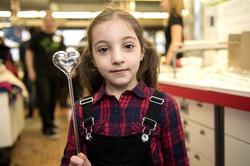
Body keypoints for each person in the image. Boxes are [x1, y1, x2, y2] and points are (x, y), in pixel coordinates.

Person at [61, 7, 189, 166]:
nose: (117, 58)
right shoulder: (80, 110)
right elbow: (68, 161)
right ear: (93, 59)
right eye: (104, 49)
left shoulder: (166, 106)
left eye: (128, 46)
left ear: (141, 51)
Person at [26, 12, 66, 139]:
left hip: (55, 73)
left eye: (51, 20)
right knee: (45, 99)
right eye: (46, 20)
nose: (49, 23)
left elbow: (63, 54)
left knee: (54, 100)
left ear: (54, 23)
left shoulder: (57, 37)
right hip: (41, 73)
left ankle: (51, 123)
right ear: (43, 22)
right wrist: (31, 70)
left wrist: (68, 68)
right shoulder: (37, 36)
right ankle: (46, 129)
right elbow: (29, 53)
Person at [19, 27, 38, 118]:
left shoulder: (23, 44)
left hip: (27, 70)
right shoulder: (36, 43)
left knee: (29, 92)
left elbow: (21, 59)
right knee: (38, 92)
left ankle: (31, 112)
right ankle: (39, 111)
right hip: (37, 71)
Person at [160, 0, 184, 66]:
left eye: (162, 1)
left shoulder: (174, 17)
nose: (161, 4)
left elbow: (176, 43)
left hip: (174, 62)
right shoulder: (174, 17)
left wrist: (167, 63)